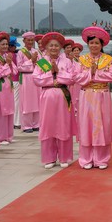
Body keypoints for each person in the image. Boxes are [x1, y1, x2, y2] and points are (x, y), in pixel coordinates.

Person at [74, 26, 112, 169]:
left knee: (102, 126)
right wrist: (90, 75)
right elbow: (76, 77)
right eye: (91, 43)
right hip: (86, 95)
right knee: (86, 125)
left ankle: (101, 158)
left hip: (102, 96)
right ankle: (86, 158)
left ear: (102, 45)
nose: (94, 45)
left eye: (97, 43)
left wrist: (94, 75)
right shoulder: (82, 59)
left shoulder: (108, 59)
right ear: (88, 44)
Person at [32, 32, 77, 169]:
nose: (53, 48)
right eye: (51, 46)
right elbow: (36, 79)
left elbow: (72, 78)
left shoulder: (67, 61)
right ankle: (49, 158)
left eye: (56, 46)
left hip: (63, 95)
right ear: (46, 47)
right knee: (48, 126)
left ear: (61, 47)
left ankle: (64, 156)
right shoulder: (42, 62)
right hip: (48, 95)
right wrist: (52, 75)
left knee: (63, 125)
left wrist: (59, 73)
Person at [0, 32, 17, 145]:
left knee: (9, 110)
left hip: (8, 84)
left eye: (6, 44)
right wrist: (7, 66)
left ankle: (9, 135)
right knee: (1, 110)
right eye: (2, 44)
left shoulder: (7, 56)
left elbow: (15, 71)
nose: (5, 46)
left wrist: (9, 65)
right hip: (0, 85)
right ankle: (1, 137)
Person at [16, 31, 41, 133]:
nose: (30, 42)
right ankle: (26, 125)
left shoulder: (37, 51)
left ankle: (36, 123)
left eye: (32, 40)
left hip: (36, 78)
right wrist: (31, 61)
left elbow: (43, 64)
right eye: (28, 40)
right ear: (24, 41)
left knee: (37, 101)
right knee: (27, 102)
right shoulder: (21, 52)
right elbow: (19, 67)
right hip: (26, 78)